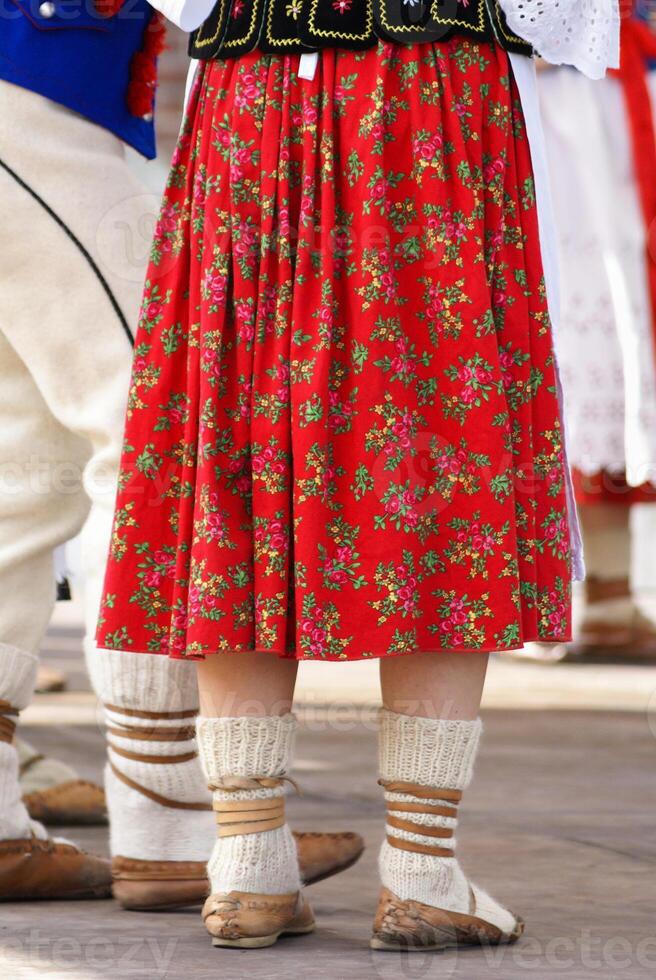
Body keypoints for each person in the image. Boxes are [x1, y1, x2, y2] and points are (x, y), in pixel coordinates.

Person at [95, 0, 619, 952]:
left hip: (253, 96)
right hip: (427, 97)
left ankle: (248, 859)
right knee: (437, 447)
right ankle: (421, 869)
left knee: (243, 447)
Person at [0, 0, 362, 903]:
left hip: (52, 73)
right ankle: (172, 818)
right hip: (34, 77)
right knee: (160, 432)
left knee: (22, 466)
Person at [520, 1, 656, 663]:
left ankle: (606, 588)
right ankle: (576, 591)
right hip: (555, 100)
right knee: (572, 327)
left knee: (622, 331)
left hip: (626, 93)